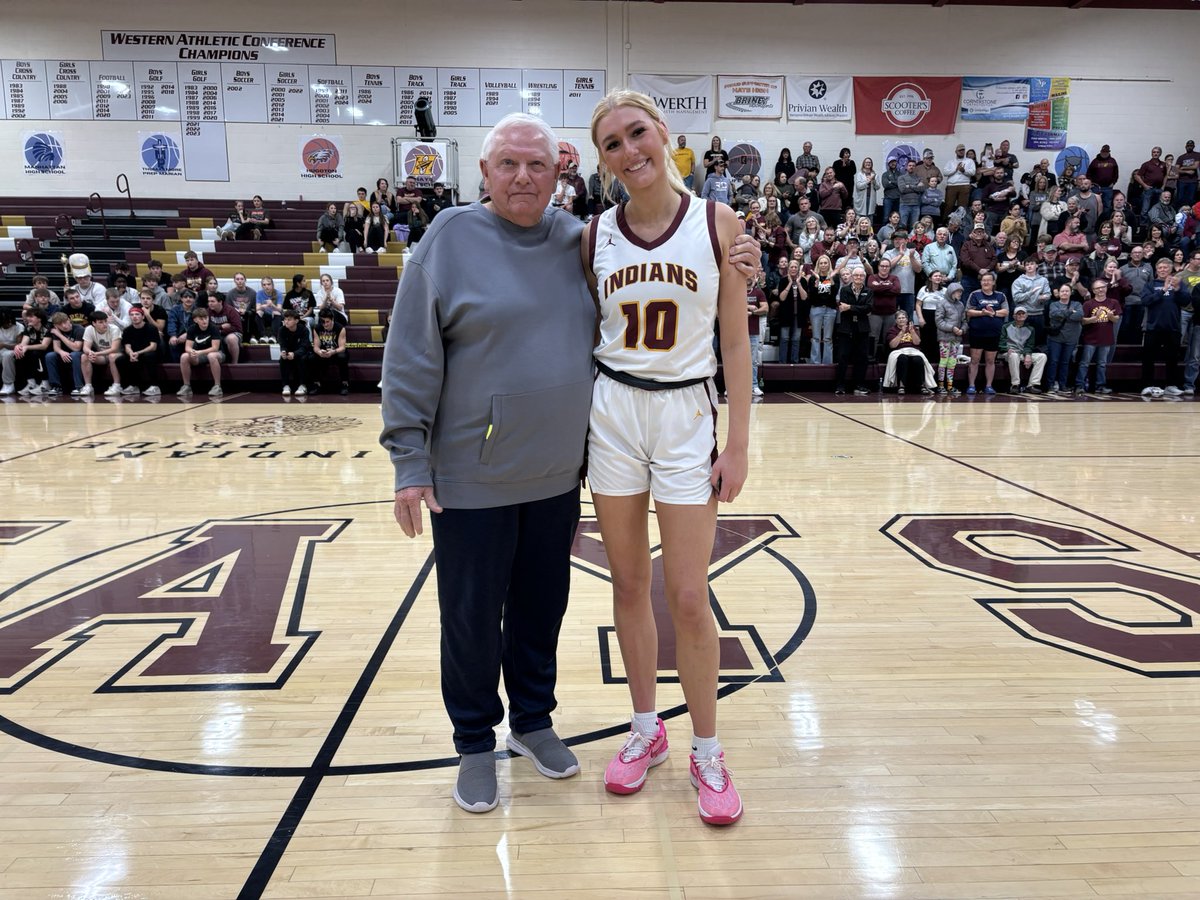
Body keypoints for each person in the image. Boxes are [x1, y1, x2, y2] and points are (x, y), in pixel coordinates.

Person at [585, 90, 749, 826]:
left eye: (637, 132)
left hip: (687, 412)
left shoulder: (719, 224)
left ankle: (707, 749)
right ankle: (646, 729)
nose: (629, 151)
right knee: (626, 586)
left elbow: (737, 344)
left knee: (687, 596)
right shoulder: (591, 238)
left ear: (665, 134)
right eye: (612, 143)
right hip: (613, 412)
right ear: (602, 161)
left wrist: (739, 440)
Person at [1140, 258, 1188, 396]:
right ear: (1156, 269)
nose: (1162, 270)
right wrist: (1163, 290)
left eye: (1165, 268)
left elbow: (1186, 302)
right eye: (1160, 267)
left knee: (1172, 358)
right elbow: (1145, 301)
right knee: (1149, 358)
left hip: (1173, 327)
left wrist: (1178, 290)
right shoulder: (1150, 284)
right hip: (1153, 327)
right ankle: (1147, 385)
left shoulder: (1178, 283)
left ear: (1171, 269)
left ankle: (1171, 385)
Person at [1075, 278, 1123, 395]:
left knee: (1102, 364)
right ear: (1093, 291)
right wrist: (1094, 318)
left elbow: (1116, 319)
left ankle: (1100, 386)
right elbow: (1082, 321)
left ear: (1106, 288)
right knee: (1084, 363)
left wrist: (1111, 316)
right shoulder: (1088, 304)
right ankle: (1079, 385)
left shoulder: (1113, 302)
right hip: (1090, 338)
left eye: (1103, 287)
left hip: (1106, 338)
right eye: (1097, 288)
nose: (1101, 289)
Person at [965, 271, 1009, 395]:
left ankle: (989, 386)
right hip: (977, 333)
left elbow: (1005, 311)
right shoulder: (975, 294)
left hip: (993, 333)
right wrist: (982, 313)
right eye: (984, 280)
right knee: (975, 360)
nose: (986, 282)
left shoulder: (1000, 296)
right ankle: (971, 385)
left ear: (993, 282)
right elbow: (968, 311)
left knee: (990, 361)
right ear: (980, 282)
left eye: (988, 280)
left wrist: (994, 313)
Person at [834, 266, 872, 395]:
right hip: (846, 328)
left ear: (864, 277)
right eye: (856, 275)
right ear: (852, 277)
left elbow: (868, 308)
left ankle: (859, 385)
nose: (858, 278)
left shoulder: (869, 291)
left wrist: (850, 307)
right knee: (843, 356)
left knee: (862, 358)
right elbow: (843, 307)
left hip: (862, 329)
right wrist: (858, 308)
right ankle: (840, 385)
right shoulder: (844, 290)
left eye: (861, 276)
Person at [881, 309, 935, 394]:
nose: (901, 319)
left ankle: (922, 385)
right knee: (902, 358)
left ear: (907, 319)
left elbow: (917, 343)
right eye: (899, 318)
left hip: (913, 350)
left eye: (903, 318)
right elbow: (892, 345)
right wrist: (901, 332)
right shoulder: (892, 330)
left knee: (918, 359)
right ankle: (901, 386)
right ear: (896, 320)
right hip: (899, 351)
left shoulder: (913, 329)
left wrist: (912, 332)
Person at [1045, 282, 1085, 394]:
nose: (1064, 293)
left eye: (1067, 291)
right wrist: (1070, 312)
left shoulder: (1077, 304)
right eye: (1062, 291)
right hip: (1055, 338)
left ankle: (1063, 385)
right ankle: (1050, 385)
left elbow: (1079, 316)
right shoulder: (1053, 304)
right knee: (1053, 361)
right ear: (1058, 293)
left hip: (1071, 338)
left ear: (1071, 292)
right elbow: (1053, 315)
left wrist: (1064, 314)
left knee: (1065, 362)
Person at [178, 306, 225, 398]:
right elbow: (187, 347)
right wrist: (192, 351)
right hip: (201, 355)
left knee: (211, 355)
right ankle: (186, 386)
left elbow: (215, 348)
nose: (204, 321)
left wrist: (199, 352)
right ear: (195, 320)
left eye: (206, 318)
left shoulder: (213, 328)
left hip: (218, 354)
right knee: (184, 356)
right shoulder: (192, 329)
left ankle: (217, 386)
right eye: (201, 319)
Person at [1000, 306, 1046, 393]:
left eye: (1023, 313)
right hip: (1009, 352)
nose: (1021, 315)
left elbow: (1029, 345)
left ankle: (1032, 384)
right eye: (1018, 314)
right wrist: (1007, 348)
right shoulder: (1006, 327)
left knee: (1042, 356)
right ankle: (1015, 385)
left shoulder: (1031, 329)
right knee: (1013, 355)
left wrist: (1027, 354)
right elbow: (1001, 343)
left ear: (1026, 316)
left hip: (1022, 353)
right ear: (1014, 316)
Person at [118, 304, 161, 397]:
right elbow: (127, 346)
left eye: (137, 314)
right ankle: (132, 386)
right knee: (120, 360)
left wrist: (138, 353)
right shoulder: (127, 330)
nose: (134, 317)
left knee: (149, 356)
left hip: (150, 353)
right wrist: (131, 353)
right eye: (132, 315)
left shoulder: (151, 328)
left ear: (143, 316)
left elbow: (153, 346)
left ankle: (155, 386)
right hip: (135, 353)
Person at [771, 259, 807, 364]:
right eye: (792, 267)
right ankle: (782, 362)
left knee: (796, 339)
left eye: (796, 267)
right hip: (786, 314)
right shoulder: (783, 280)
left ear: (798, 269)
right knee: (784, 338)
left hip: (798, 314)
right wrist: (790, 283)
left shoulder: (803, 281)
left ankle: (794, 361)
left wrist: (798, 284)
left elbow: (804, 297)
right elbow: (781, 298)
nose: (794, 268)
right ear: (788, 268)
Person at [79, 309, 122, 397]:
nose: (105, 324)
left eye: (106, 321)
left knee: (112, 356)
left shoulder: (114, 329)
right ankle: (88, 386)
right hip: (102, 356)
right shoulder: (89, 329)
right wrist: (90, 352)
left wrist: (97, 354)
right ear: (94, 323)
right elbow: (85, 347)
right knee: (84, 356)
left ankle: (117, 386)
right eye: (101, 322)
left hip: (119, 355)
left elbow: (114, 348)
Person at [311, 308, 350, 395]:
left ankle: (344, 383)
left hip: (336, 351)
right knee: (312, 357)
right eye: (322, 321)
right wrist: (319, 352)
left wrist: (333, 352)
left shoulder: (340, 328)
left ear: (332, 319)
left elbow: (342, 347)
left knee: (342, 356)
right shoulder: (317, 328)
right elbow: (316, 347)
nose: (325, 324)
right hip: (324, 352)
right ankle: (316, 384)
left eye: (327, 321)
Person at [277, 308, 313, 397]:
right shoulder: (282, 330)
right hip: (290, 353)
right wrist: (283, 351)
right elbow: (283, 344)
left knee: (303, 358)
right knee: (282, 358)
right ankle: (285, 385)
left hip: (302, 353)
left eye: (289, 319)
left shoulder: (304, 330)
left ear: (296, 320)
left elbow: (305, 347)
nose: (286, 321)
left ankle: (302, 385)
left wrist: (295, 354)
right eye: (285, 319)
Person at [205, 292, 243, 365]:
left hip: (233, 333)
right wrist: (220, 327)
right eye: (209, 301)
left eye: (212, 301)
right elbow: (206, 327)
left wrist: (220, 331)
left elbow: (237, 327)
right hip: (217, 334)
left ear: (220, 302)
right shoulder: (208, 311)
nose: (210, 303)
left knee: (231, 338)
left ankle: (234, 363)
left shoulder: (231, 310)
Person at [0, 308, 23, 396]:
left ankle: (8, 384)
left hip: (13, 350)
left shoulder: (19, 327)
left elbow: (19, 345)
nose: (9, 322)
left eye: (10, 319)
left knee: (7, 355)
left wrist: (4, 345)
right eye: (6, 321)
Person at [256, 277, 282, 342]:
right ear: (262, 286)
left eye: (268, 284)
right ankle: (263, 336)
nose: (266, 286)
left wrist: (272, 305)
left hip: (275, 316)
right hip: (265, 316)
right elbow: (257, 308)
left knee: (276, 312)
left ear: (272, 285)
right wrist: (263, 306)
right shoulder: (259, 293)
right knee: (259, 312)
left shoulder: (278, 293)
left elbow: (280, 309)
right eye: (264, 285)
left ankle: (273, 336)